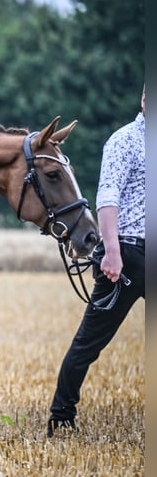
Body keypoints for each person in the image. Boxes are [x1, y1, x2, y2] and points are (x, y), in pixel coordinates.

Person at [47, 85, 146, 437]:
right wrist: (113, 251)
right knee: (90, 342)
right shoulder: (124, 141)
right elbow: (108, 198)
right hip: (129, 256)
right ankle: (61, 415)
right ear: (144, 99)